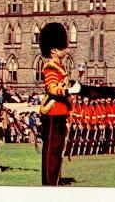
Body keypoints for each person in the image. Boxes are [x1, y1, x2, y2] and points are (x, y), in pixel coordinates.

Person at [39, 22, 81, 186]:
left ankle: (55, 178)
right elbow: (52, 88)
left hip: (61, 111)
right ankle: (49, 181)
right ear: (53, 50)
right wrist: (68, 91)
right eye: (61, 47)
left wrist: (71, 87)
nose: (65, 50)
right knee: (51, 150)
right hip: (52, 111)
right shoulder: (50, 67)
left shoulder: (60, 66)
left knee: (58, 149)